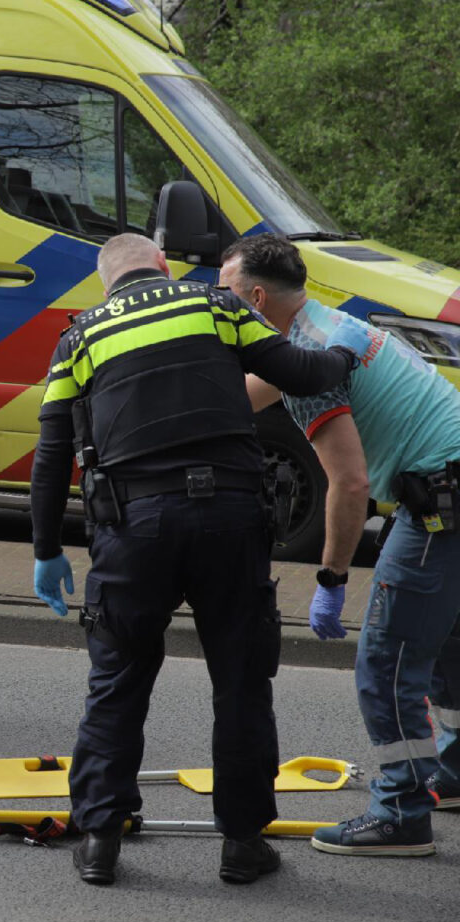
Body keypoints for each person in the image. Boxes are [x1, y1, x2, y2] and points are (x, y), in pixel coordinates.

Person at [29, 233, 369, 885]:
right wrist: (343, 352)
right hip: (229, 519)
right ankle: (242, 845)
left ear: (107, 285)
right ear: (161, 267)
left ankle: (100, 838)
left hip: (132, 532)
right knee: (240, 682)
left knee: (117, 681)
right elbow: (298, 373)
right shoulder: (211, 306)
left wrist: (47, 550)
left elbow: (51, 458)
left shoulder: (79, 338)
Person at [223, 233, 460, 856]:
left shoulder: (310, 362)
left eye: (224, 296)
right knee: (445, 644)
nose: (217, 306)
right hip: (452, 488)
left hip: (442, 508)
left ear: (253, 297)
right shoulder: (331, 327)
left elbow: (349, 483)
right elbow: (241, 396)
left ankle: (403, 814)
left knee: (387, 663)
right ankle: (452, 771)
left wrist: (331, 581)